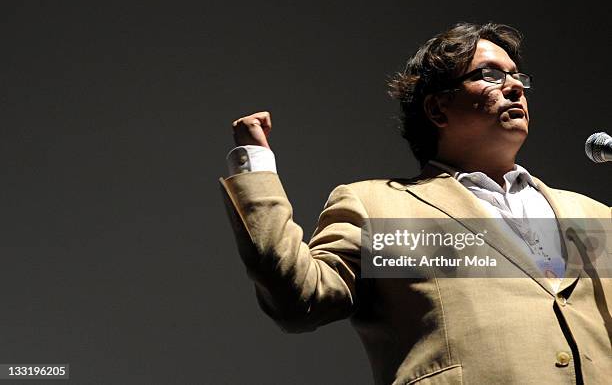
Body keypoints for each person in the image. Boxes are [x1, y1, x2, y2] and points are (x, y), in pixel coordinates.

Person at [219, 23, 611, 384]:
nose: (514, 87)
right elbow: (300, 300)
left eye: (518, 77)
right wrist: (256, 167)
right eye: (491, 75)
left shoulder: (592, 215)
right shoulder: (380, 206)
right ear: (437, 108)